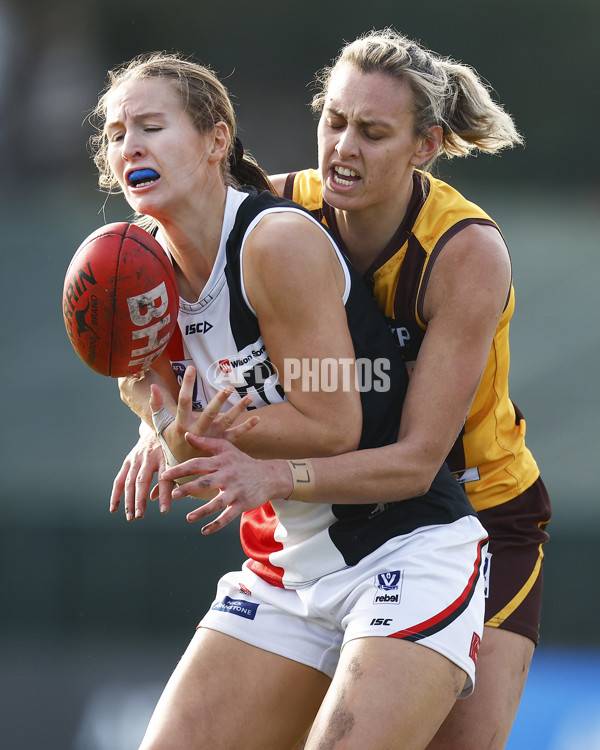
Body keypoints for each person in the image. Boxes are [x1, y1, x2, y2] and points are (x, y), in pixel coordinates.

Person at [157, 29, 552, 750]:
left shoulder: (463, 253)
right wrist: (149, 415)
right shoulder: (277, 209)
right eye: (333, 121)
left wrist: (273, 470)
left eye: (372, 132)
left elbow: (413, 461)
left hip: (474, 512)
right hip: (323, 521)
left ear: (425, 146)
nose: (342, 147)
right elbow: (177, 299)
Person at [91, 51, 488, 750]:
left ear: (217, 141)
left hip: (403, 548)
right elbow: (197, 444)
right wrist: (154, 414)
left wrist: (197, 432)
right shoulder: (133, 268)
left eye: (152, 126)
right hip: (289, 565)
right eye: (118, 134)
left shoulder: (272, 241)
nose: (132, 146)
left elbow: (335, 421)